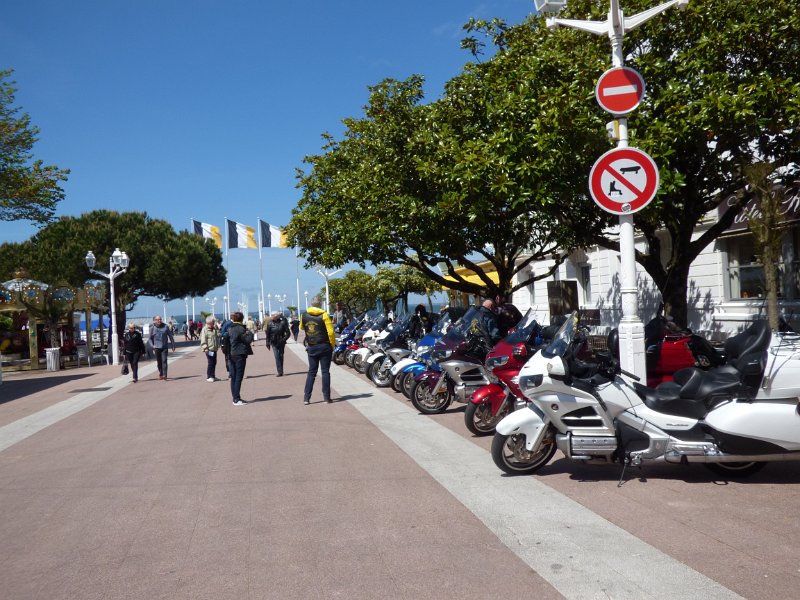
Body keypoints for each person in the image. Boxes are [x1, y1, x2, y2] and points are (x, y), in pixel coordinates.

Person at [300, 295, 335, 405]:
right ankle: (326, 398)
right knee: (325, 371)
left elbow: (301, 327)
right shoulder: (324, 315)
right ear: (320, 304)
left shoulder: (304, 315)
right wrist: (332, 344)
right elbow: (331, 332)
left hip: (311, 346)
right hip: (324, 345)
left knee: (311, 372)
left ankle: (306, 398)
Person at [224, 311, 253, 405]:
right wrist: (250, 333)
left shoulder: (230, 328)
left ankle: (235, 397)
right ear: (241, 319)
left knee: (233, 376)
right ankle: (236, 399)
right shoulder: (240, 329)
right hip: (239, 354)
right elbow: (247, 340)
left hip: (231, 354)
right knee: (238, 377)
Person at [149, 315, 175, 380]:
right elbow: (150, 339)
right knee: (159, 362)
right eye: (158, 319)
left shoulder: (165, 326)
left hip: (164, 347)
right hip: (156, 347)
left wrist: (173, 345)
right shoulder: (152, 328)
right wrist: (152, 345)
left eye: (160, 319)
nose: (159, 320)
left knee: (164, 360)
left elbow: (170, 336)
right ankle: (161, 373)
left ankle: (165, 375)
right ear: (155, 320)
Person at [266, 311, 291, 376]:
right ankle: (279, 371)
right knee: (276, 356)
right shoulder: (270, 323)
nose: (271, 316)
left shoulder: (283, 322)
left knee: (281, 356)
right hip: (273, 342)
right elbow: (268, 334)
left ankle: (281, 370)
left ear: (276, 316)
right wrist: (267, 343)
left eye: (272, 315)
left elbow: (288, 333)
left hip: (281, 342)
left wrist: (283, 339)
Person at [199, 315, 221, 382]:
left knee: (214, 362)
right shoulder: (205, 329)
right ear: (209, 323)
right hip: (208, 349)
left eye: (214, 322)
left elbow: (218, 335)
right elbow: (203, 339)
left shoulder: (214, 328)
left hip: (214, 348)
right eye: (213, 322)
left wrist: (217, 329)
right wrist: (205, 348)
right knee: (211, 362)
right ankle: (209, 376)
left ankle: (213, 376)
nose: (214, 323)